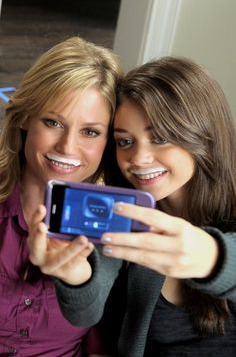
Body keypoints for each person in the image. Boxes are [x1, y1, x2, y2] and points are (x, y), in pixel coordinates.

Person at [28, 57, 236, 356]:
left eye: (160, 138)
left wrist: (214, 259)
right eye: (125, 141)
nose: (138, 158)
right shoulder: (124, 211)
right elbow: (86, 314)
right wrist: (76, 276)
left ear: (202, 134)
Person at [0, 35, 123, 356]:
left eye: (90, 132)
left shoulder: (113, 220)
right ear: (26, 117)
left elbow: (90, 311)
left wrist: (76, 277)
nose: (67, 148)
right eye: (53, 122)